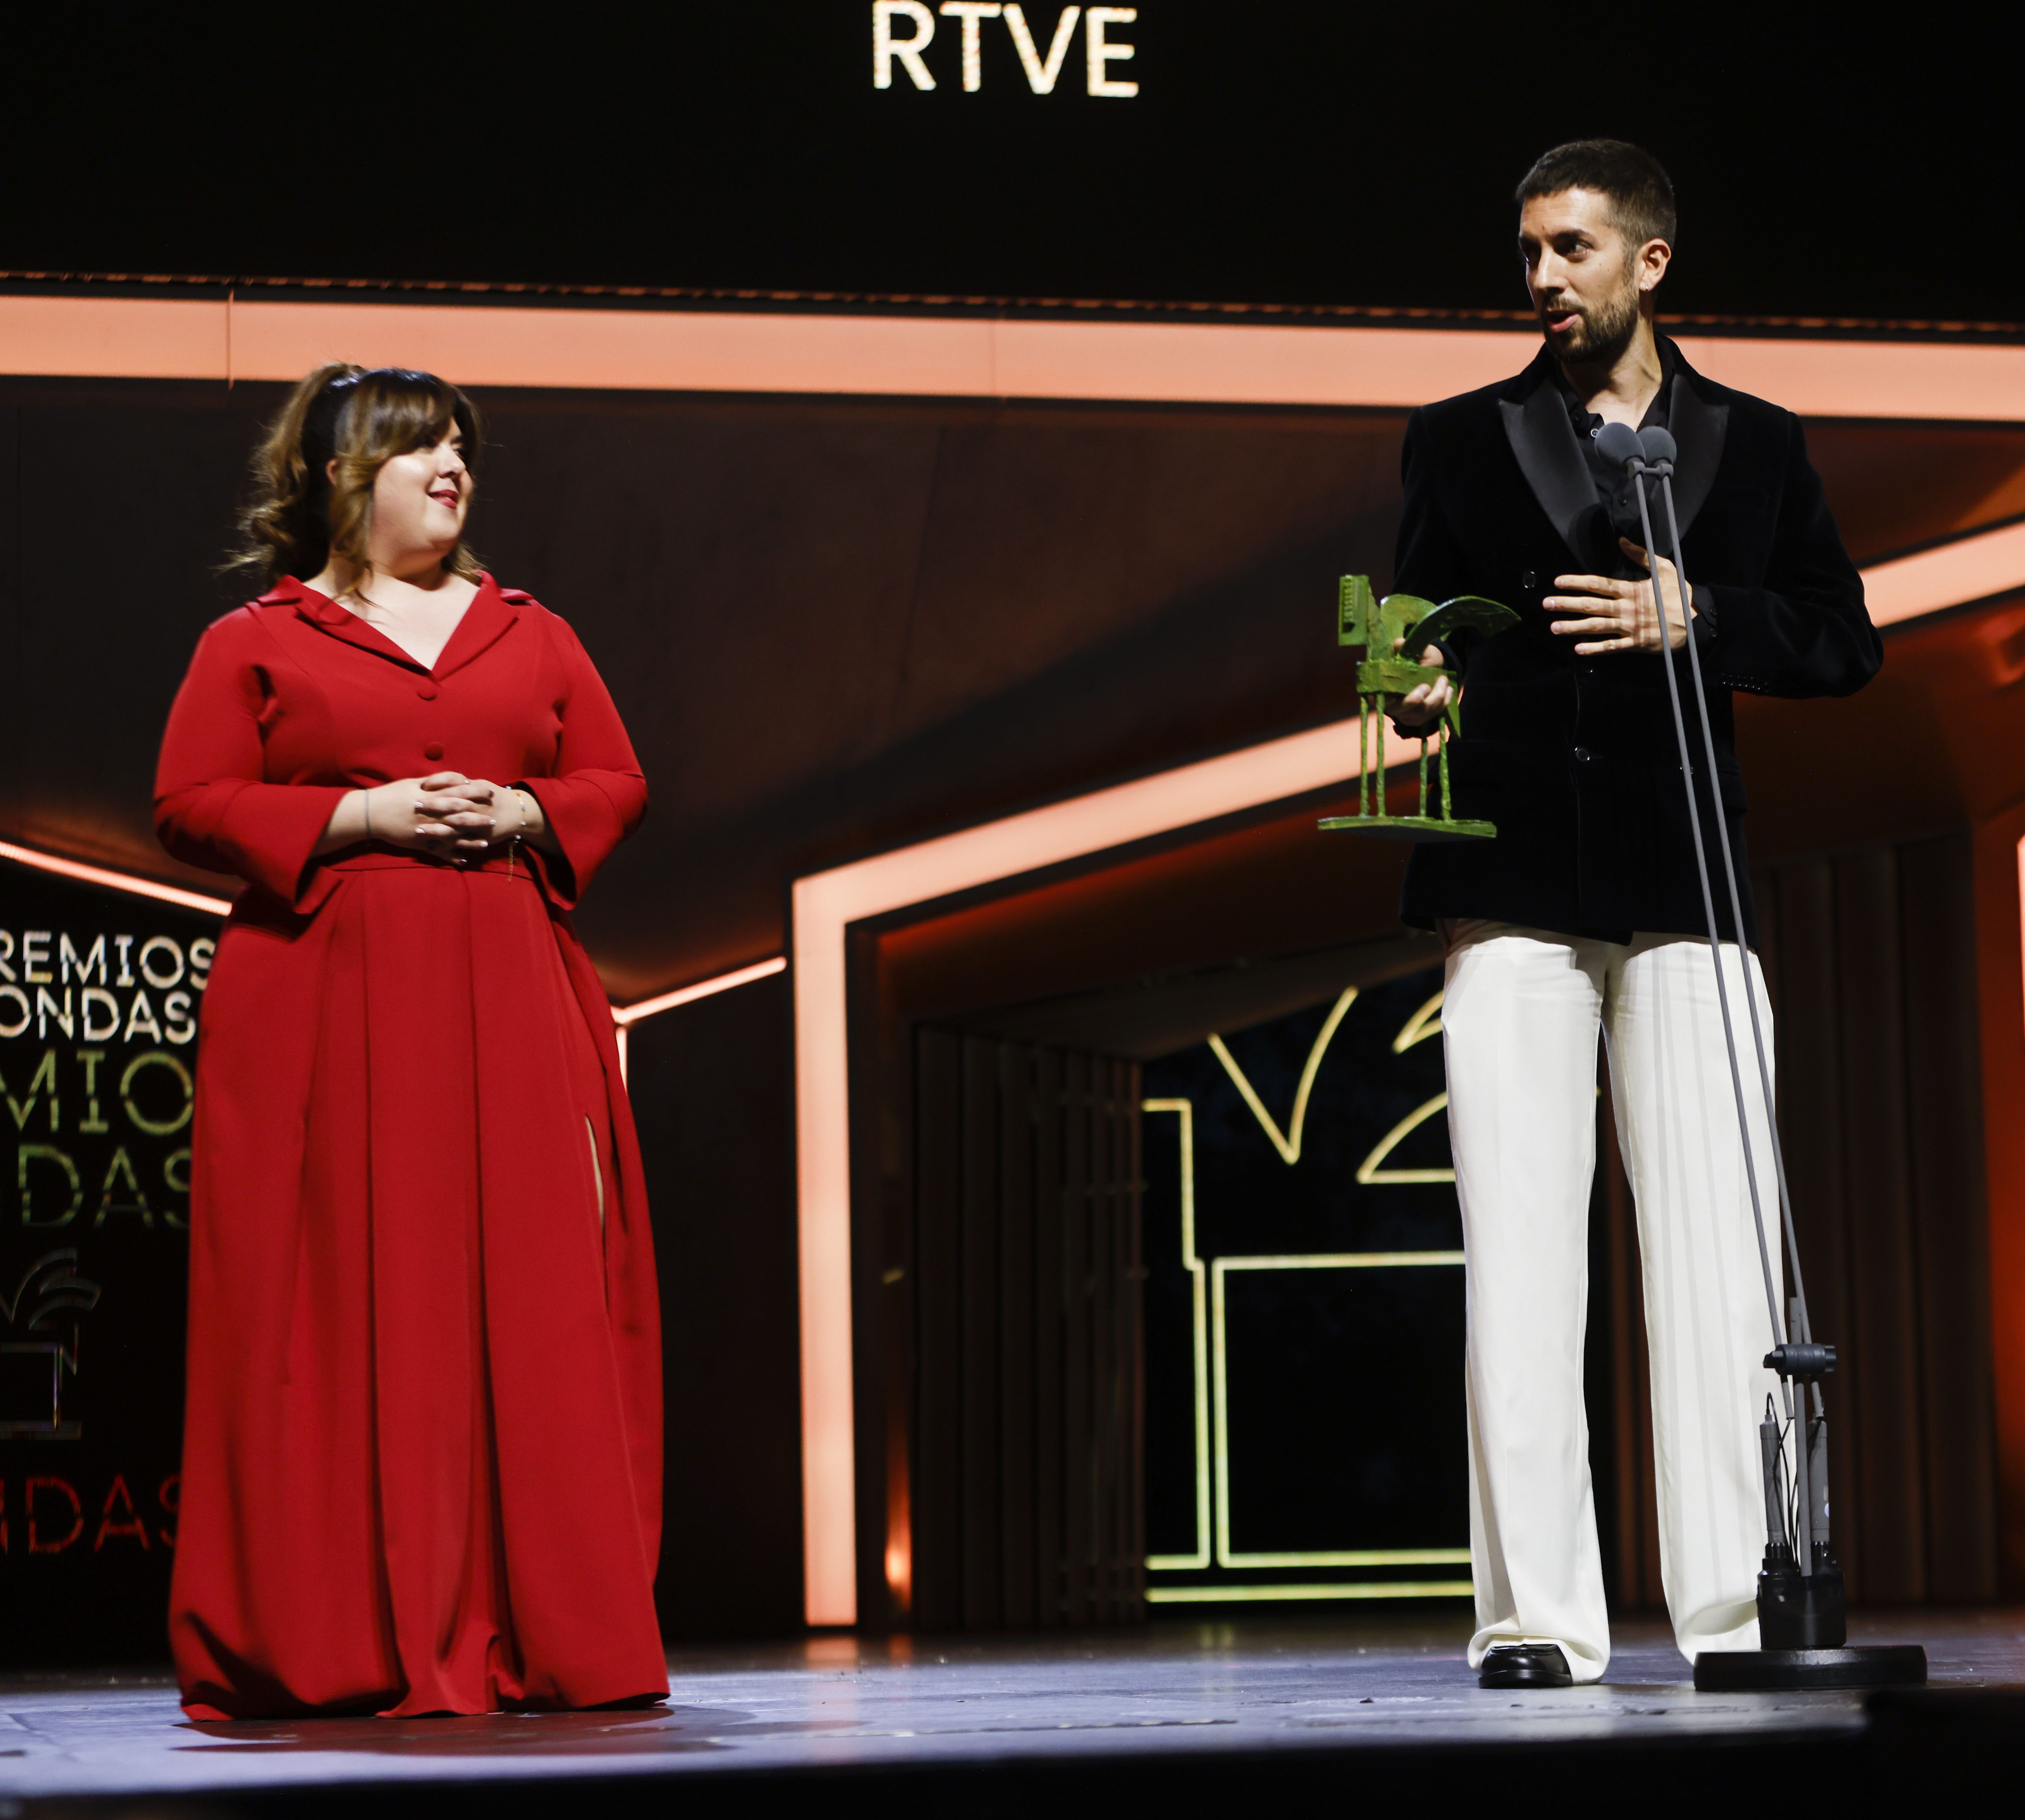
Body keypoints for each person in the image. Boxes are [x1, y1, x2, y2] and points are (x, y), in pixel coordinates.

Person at [1385, 143, 1880, 1687]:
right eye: (1528, 250)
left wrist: (1701, 616)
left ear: (1649, 263)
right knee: (1519, 1260)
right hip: (1511, 887)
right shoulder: (1457, 440)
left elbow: (1841, 641)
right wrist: (1414, 683)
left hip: (1689, 885)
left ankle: (1735, 1606)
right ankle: (1536, 1618)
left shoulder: (1755, 443)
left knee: (1720, 1262)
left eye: (1572, 248)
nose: (1542, 276)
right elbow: (1412, 626)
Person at [155, 364, 667, 1718]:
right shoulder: (256, 639)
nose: (450, 465)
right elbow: (189, 798)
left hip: (507, 991)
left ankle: (538, 1626)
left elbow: (613, 778)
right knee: (340, 1302)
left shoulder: (529, 633)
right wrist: (361, 823)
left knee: (527, 1298)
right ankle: (344, 1631)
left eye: (460, 446)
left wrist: (516, 816)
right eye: (417, 446)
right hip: (326, 996)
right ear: (337, 476)